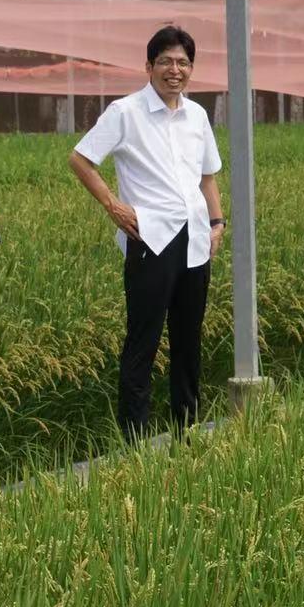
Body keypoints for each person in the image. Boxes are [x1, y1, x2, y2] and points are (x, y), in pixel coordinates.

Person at [70, 27, 224, 440]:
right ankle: (135, 440)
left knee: (189, 340)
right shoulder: (126, 112)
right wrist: (112, 205)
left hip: (195, 241)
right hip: (150, 239)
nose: (175, 70)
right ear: (149, 66)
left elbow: (207, 176)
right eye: (166, 62)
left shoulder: (197, 116)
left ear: (191, 69)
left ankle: (186, 430)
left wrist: (217, 222)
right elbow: (81, 159)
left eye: (183, 63)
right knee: (144, 341)